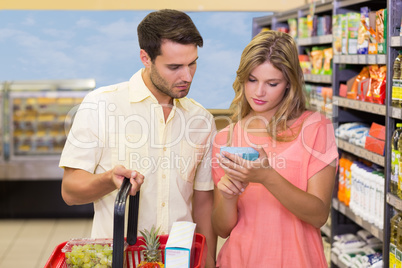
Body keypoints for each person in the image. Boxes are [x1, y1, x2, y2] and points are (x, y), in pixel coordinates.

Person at [59, 9, 216, 267]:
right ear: (146, 58)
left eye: (193, 63)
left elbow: (202, 204)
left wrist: (208, 262)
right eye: (174, 67)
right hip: (117, 260)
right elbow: (70, 191)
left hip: (180, 260)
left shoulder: (201, 120)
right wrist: (109, 180)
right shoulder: (100, 105)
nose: (187, 76)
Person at [211, 30, 338, 267]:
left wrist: (268, 177)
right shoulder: (225, 137)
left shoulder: (316, 128)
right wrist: (228, 197)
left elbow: (319, 215)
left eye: (272, 83)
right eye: (252, 80)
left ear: (289, 84)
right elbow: (222, 229)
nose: (259, 92)